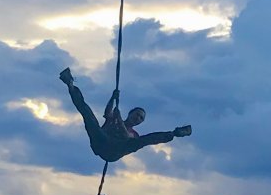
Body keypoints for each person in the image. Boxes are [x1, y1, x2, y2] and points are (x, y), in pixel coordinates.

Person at [60, 68, 190, 163]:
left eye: (141, 118)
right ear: (131, 113)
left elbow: (125, 135)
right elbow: (107, 113)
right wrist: (113, 97)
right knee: (88, 116)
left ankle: (175, 133)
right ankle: (70, 84)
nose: (138, 118)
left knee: (142, 141)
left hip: (114, 151)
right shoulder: (114, 120)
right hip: (100, 142)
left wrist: (118, 118)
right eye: (137, 115)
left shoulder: (134, 135)